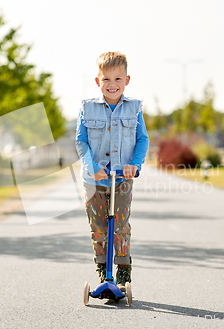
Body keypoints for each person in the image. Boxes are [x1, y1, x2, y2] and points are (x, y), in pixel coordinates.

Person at [75, 51, 149, 292]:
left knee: (120, 225)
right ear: (98, 82)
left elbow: (142, 140)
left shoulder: (135, 108)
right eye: (106, 79)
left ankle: (123, 269)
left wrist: (134, 165)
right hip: (94, 180)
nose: (112, 84)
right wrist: (92, 167)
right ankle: (102, 272)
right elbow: (81, 141)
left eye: (118, 79)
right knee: (98, 227)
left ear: (126, 80)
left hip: (122, 180)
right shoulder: (87, 108)